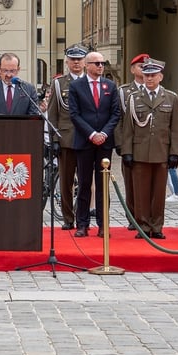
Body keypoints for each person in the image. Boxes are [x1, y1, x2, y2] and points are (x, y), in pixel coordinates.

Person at [119, 59, 178, 240]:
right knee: (141, 192)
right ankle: (143, 226)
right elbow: (128, 128)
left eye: (153, 75)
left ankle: (157, 226)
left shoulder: (170, 97)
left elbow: (175, 129)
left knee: (158, 193)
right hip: (140, 152)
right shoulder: (133, 98)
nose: (149, 79)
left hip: (161, 152)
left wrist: (174, 152)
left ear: (160, 77)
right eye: (146, 75)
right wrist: (127, 152)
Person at [68, 51, 121, 237]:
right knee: (84, 182)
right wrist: (91, 134)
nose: (100, 66)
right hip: (84, 141)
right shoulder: (76, 86)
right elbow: (74, 114)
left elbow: (116, 113)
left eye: (102, 63)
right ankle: (82, 223)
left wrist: (104, 133)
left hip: (105, 142)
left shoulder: (110, 86)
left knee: (102, 183)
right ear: (87, 65)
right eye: (96, 63)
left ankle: (103, 224)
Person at [46, 44, 87, 230]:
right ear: (67, 62)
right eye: (73, 59)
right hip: (66, 139)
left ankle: (83, 219)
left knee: (86, 182)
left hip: (87, 140)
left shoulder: (92, 81)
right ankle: (68, 218)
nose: (76, 62)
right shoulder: (59, 83)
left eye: (79, 59)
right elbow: (53, 114)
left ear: (85, 61)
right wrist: (54, 139)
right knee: (66, 183)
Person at [115, 53, 149, 229]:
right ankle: (133, 218)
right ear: (132, 69)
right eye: (140, 66)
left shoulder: (157, 89)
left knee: (150, 183)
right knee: (131, 183)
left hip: (151, 144)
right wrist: (120, 143)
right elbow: (118, 118)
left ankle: (148, 217)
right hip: (131, 143)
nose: (143, 69)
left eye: (146, 66)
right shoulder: (124, 91)